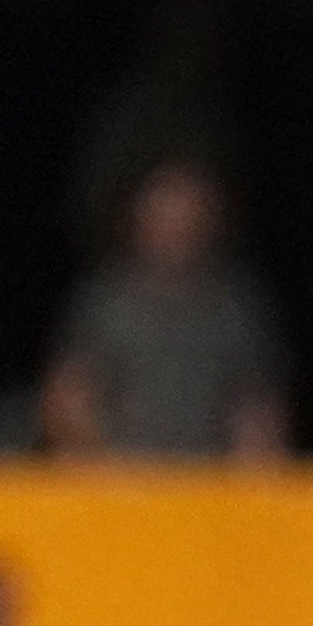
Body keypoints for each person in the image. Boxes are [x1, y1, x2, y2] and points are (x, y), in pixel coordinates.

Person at [42, 163, 289, 461]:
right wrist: (108, 472)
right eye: (165, 212)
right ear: (139, 218)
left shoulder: (235, 308)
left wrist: (251, 490)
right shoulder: (108, 302)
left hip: (207, 489)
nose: (177, 225)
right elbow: (68, 399)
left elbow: (257, 414)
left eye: (188, 212)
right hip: (121, 485)